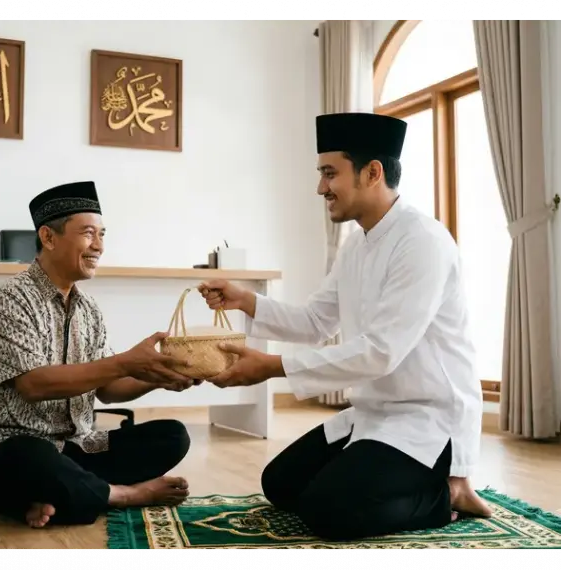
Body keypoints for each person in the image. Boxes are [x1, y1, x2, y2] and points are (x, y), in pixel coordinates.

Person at [197, 112, 493, 541]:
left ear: (372, 173)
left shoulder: (423, 241)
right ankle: (387, 481)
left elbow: (380, 351)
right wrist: (246, 299)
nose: (321, 188)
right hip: (374, 413)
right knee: (279, 484)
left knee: (329, 510)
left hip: (428, 420)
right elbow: (317, 321)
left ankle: (446, 493)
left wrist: (271, 366)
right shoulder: (357, 243)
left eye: (329, 173)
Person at [0, 181, 195, 529]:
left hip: (78, 447)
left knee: (173, 436)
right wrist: (126, 362)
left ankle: (55, 497)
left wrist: (158, 377)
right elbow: (34, 385)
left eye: (102, 234)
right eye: (88, 234)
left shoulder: (89, 309)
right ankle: (125, 495)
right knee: (33, 459)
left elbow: (107, 388)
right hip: (10, 447)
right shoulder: (9, 299)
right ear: (49, 236)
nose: (99, 246)